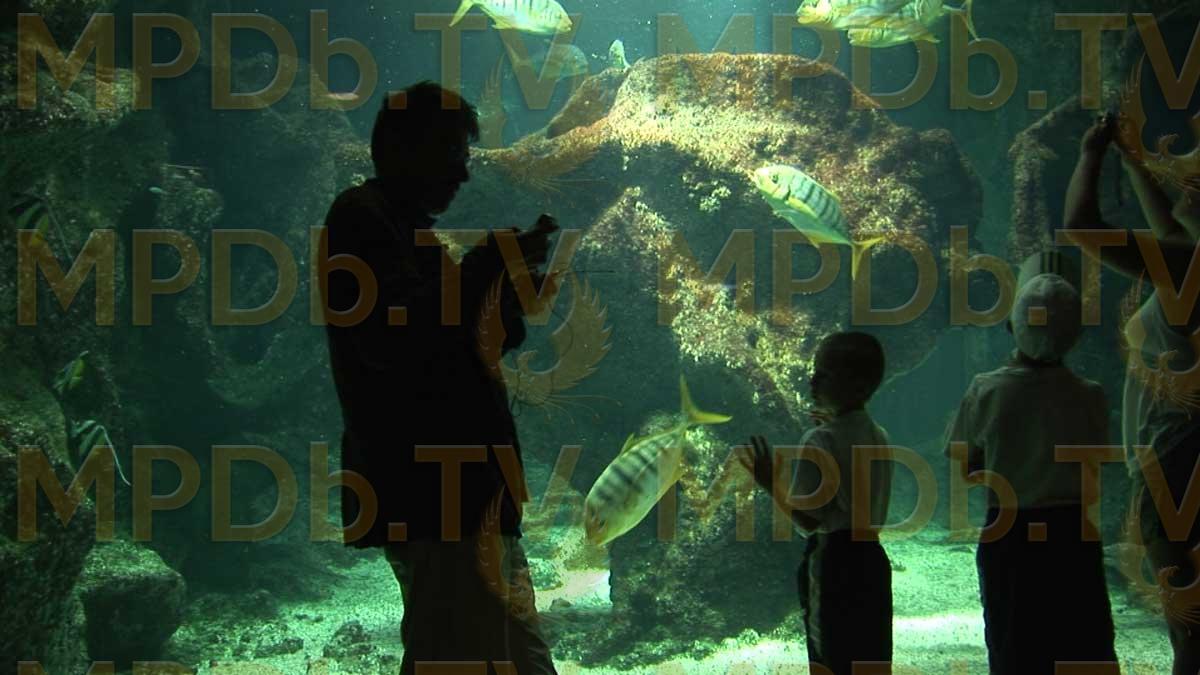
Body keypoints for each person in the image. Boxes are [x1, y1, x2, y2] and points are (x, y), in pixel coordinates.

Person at [320, 81, 559, 675]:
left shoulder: (411, 234)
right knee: (456, 651)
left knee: (510, 653)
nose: (463, 173)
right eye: (452, 154)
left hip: (468, 492)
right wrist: (486, 264)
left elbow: (462, 342)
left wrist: (505, 293)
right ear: (404, 148)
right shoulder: (361, 220)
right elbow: (396, 338)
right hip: (433, 491)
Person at [1067, 111, 1200, 674]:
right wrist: (1130, 161)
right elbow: (1168, 227)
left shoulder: (1187, 264)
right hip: (1180, 456)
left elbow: (1082, 226)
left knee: (1189, 626)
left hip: (1175, 463)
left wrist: (1090, 154)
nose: (1180, 167)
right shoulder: (1186, 256)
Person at [945, 252, 1117, 674]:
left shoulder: (986, 389)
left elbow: (967, 468)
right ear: (1077, 335)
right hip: (1073, 535)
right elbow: (1095, 466)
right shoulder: (1091, 395)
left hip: (1009, 533)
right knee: (1083, 645)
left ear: (1011, 326)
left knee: (1014, 645)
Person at [744, 331, 893, 675]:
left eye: (823, 374)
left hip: (834, 563)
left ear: (853, 383)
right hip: (873, 561)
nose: (812, 380)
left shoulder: (819, 439)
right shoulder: (879, 435)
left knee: (830, 654)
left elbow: (808, 521)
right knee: (870, 657)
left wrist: (771, 485)